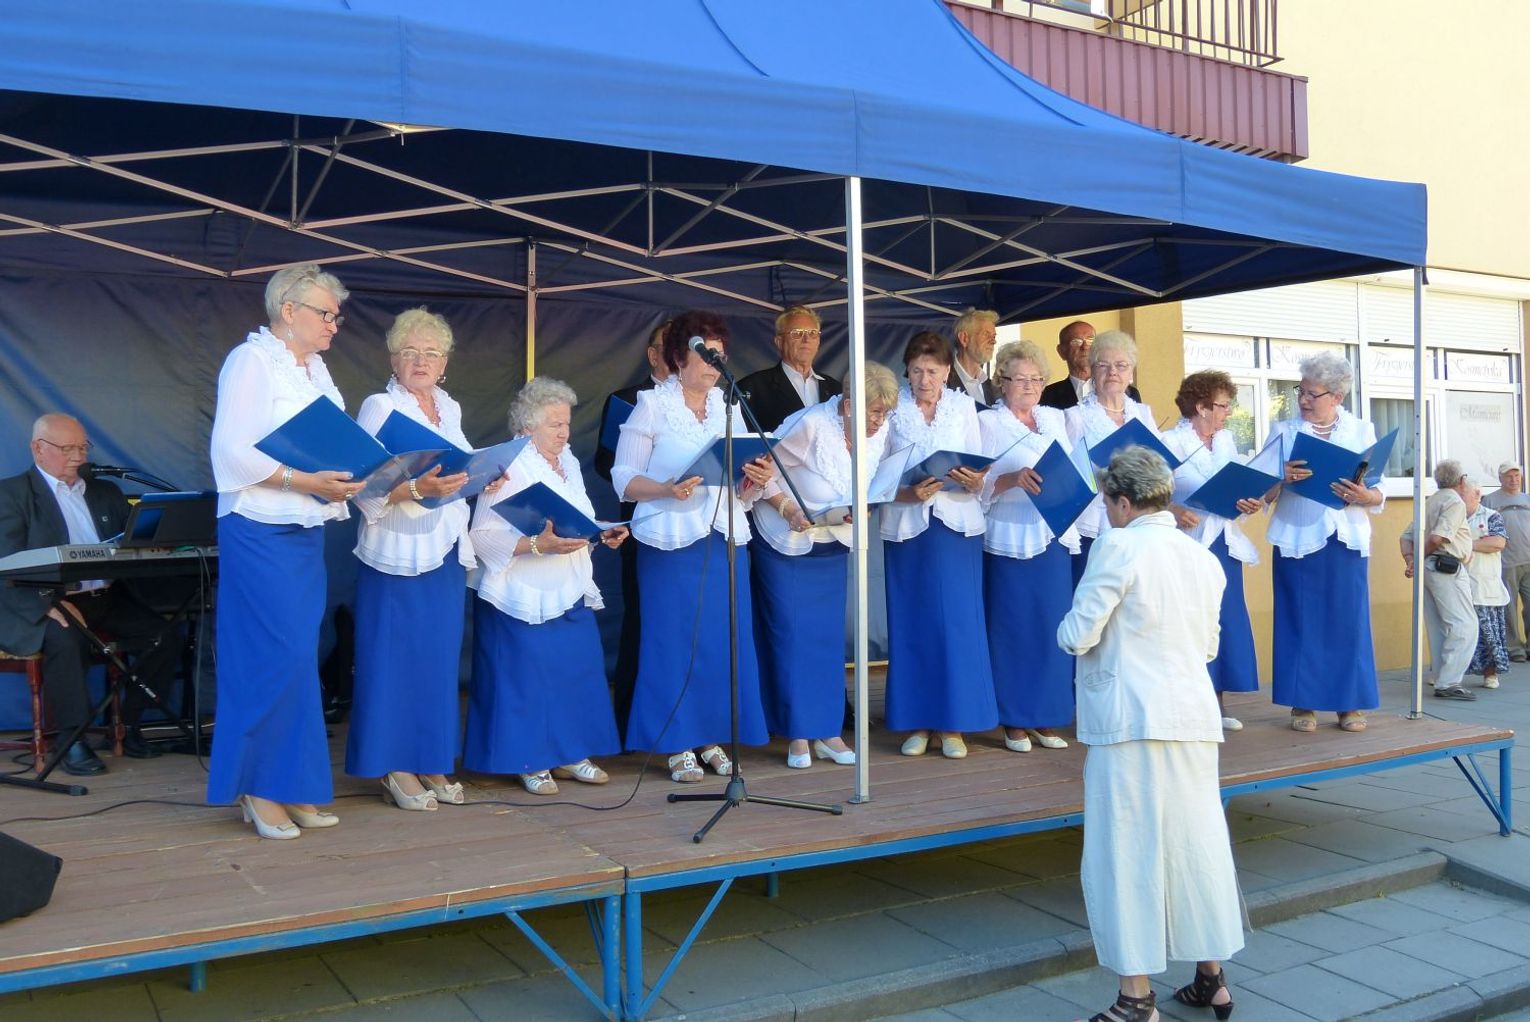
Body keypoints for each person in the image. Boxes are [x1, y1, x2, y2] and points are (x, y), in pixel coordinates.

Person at [1057, 446, 1242, 1022]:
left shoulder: (1118, 545)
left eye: (1107, 502)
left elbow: (1077, 634)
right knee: (1195, 844)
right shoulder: (1201, 557)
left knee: (1126, 850)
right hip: (1192, 717)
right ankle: (1211, 978)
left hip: (1129, 719)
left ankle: (1136, 998)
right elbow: (1208, 647)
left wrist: (1066, 626)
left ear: (1122, 501)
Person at [207, 263, 359, 840]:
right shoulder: (251, 360)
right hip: (259, 527)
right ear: (288, 311)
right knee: (269, 657)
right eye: (326, 313)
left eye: (337, 316)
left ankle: (292, 783)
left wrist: (354, 473)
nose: (334, 325)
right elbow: (231, 452)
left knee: (299, 656)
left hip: (302, 529)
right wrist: (305, 480)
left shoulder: (315, 369)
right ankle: (257, 787)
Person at [611, 311, 775, 783]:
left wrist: (754, 481)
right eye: (705, 353)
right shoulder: (652, 406)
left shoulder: (728, 406)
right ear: (679, 357)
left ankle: (710, 735)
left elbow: (737, 486)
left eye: (719, 354)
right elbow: (623, 478)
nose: (713, 362)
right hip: (669, 541)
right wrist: (665, 489)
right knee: (672, 641)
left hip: (722, 538)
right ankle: (675, 741)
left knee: (719, 641)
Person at [466, 378, 627, 794]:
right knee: (524, 678)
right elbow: (480, 536)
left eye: (567, 423)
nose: (564, 433)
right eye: (555, 424)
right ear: (527, 427)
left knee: (574, 671)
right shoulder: (509, 464)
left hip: (567, 583)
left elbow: (576, 521)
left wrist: (601, 532)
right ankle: (529, 759)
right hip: (518, 591)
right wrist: (538, 545)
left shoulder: (567, 461)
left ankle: (570, 754)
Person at [0, 413, 184, 774]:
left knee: (163, 636)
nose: (78, 456)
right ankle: (72, 740)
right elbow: (5, 562)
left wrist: (159, 543)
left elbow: (130, 543)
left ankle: (129, 724)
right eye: (67, 448)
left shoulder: (105, 492)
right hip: (44, 602)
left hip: (105, 597)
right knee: (66, 640)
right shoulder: (11, 495)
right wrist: (45, 603)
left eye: (83, 447)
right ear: (38, 449)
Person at [344, 308, 474, 812]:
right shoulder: (380, 406)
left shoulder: (450, 407)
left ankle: (431, 758)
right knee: (393, 659)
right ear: (393, 359)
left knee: (436, 661)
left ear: (445, 364)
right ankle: (395, 765)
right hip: (396, 553)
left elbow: (459, 468)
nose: (421, 361)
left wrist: (485, 474)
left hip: (444, 548)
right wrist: (417, 489)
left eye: (431, 353)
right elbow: (360, 486)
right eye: (410, 352)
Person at [751, 362, 898, 769]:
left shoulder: (881, 430)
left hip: (832, 539)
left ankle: (828, 731)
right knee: (792, 636)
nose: (879, 421)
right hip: (786, 540)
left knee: (826, 638)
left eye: (884, 413)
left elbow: (876, 480)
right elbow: (760, 472)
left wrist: (864, 506)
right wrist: (788, 508)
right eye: (873, 412)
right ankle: (798, 734)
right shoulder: (810, 424)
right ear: (848, 406)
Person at [882, 331, 998, 759]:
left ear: (948, 371)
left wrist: (975, 480)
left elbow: (981, 468)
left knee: (957, 624)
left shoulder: (964, 407)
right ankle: (918, 721)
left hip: (956, 525)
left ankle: (954, 724)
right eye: (916, 371)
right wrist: (907, 492)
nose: (924, 380)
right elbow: (875, 471)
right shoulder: (892, 409)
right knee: (913, 623)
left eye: (932, 371)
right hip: (908, 526)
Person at [1269, 352, 1384, 733]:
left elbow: (1378, 489)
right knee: (1299, 619)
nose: (1303, 400)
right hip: (1297, 537)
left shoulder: (1361, 431)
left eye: (1312, 394)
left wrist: (1366, 496)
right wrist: (1279, 476)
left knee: (1348, 621)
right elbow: (1260, 491)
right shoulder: (1283, 431)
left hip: (1345, 537)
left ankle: (1348, 703)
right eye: (1300, 391)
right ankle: (1303, 702)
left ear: (1336, 396)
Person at [978, 341, 1077, 754]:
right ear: (1002, 382)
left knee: (1051, 626)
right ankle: (1015, 719)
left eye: (1037, 379)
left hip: (1054, 534)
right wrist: (1011, 479)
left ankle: (1045, 714)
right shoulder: (987, 423)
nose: (1030, 386)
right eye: (1020, 379)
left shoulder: (1055, 418)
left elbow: (1072, 468)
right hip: (1009, 537)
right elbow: (976, 483)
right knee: (1013, 628)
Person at [1162, 370, 1262, 732]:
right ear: (1201, 407)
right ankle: (1184, 705)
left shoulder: (1225, 442)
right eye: (1222, 406)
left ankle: (1215, 704)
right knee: (1189, 623)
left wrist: (1249, 502)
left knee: (1223, 621)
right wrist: (1173, 510)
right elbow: (1149, 493)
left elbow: (1233, 487)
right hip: (1187, 543)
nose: (1228, 413)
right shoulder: (1170, 442)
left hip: (1224, 541)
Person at [594, 320, 672, 741]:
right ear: (652, 354)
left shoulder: (709, 403)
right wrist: (648, 465)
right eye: (668, 346)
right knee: (641, 620)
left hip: (691, 524)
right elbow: (604, 463)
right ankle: (630, 719)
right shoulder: (627, 399)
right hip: (641, 524)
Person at [1063, 330, 1158, 583]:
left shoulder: (1144, 414)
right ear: (1092, 371)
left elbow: (1158, 466)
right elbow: (1065, 475)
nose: (1112, 372)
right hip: (1093, 522)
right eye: (1103, 365)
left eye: (1121, 365)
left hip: (1139, 523)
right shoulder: (1074, 416)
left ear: (1131, 372)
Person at [1399, 460, 1479, 702]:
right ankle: (1449, 681)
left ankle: (1441, 675)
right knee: (1465, 625)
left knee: (1438, 625)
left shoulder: (1430, 501)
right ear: (1461, 480)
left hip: (1428, 568)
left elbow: (1405, 537)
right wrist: (1417, 559)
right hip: (1445, 566)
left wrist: (1411, 560)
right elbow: (1437, 538)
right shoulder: (1454, 502)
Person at [736, 305, 843, 433]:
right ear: (779, 342)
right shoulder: (751, 389)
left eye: (812, 333)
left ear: (818, 341)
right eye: (797, 333)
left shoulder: (836, 389)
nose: (806, 340)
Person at [1482, 462, 1530, 662]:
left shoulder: (1527, 499)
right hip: (1505, 563)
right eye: (1509, 476)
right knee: (1509, 608)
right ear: (1500, 478)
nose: (1513, 480)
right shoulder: (1489, 501)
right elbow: (1482, 529)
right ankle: (1514, 649)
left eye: (1517, 476)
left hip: (1528, 561)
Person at [1465, 484, 1510, 690]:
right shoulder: (1454, 515)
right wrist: (1479, 542)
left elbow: (1498, 542)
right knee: (1456, 632)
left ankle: (1490, 674)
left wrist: (1467, 544)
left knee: (1488, 633)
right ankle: (1447, 674)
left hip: (1485, 583)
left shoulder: (1492, 516)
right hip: (1459, 583)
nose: (1460, 499)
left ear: (1476, 495)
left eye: (1464, 494)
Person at [1039, 320, 1141, 411]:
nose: (1085, 347)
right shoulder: (1047, 396)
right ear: (1062, 351)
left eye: (1090, 340)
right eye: (1076, 342)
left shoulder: (1128, 393)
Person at [945, 308, 999, 406]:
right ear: (964, 339)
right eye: (986, 334)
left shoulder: (992, 387)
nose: (993, 341)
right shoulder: (941, 381)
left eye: (994, 336)